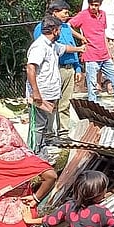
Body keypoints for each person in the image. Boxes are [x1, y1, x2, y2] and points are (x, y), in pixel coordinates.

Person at [26, 16, 85, 148]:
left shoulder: (52, 45)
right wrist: (35, 93)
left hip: (50, 94)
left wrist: (80, 49)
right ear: (54, 30)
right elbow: (30, 68)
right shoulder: (39, 46)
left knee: (47, 125)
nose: (60, 32)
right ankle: (34, 152)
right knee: (38, 126)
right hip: (40, 94)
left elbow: (65, 48)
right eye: (59, 30)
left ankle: (44, 147)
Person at [70, 0, 114, 112]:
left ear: (100, 5)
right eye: (91, 5)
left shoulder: (103, 15)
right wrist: (81, 38)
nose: (93, 7)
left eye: (96, 5)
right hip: (91, 56)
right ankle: (94, 110)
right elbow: (68, 25)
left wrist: (109, 52)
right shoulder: (83, 15)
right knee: (92, 86)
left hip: (104, 55)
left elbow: (103, 34)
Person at [82, 0, 114, 94]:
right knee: (96, 62)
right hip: (94, 37)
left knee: (112, 61)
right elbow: (83, 17)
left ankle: (110, 86)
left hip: (109, 36)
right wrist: (84, 36)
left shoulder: (113, 2)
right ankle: (97, 86)